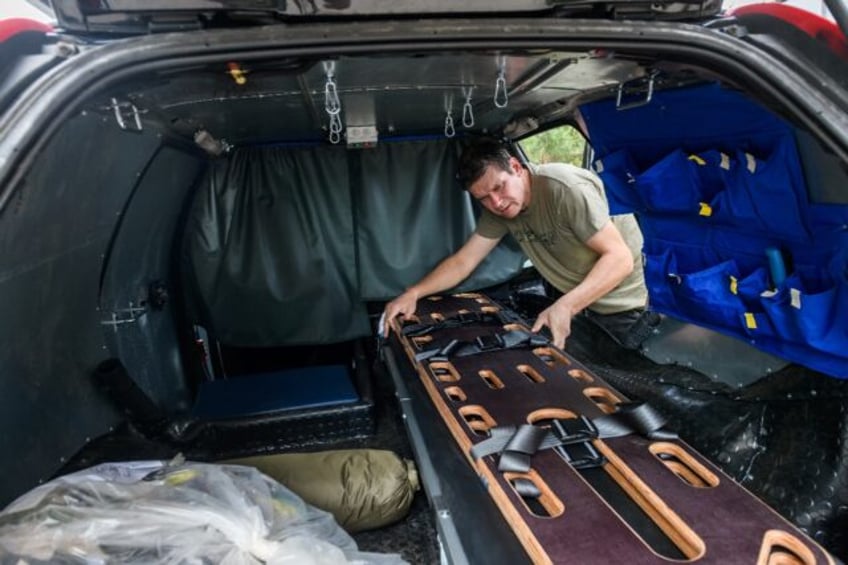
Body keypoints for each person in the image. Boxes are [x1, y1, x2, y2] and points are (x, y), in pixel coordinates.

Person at [382, 138, 656, 350]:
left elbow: (619, 258)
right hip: (584, 307)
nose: (496, 203)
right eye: (483, 198)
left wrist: (566, 306)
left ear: (516, 167)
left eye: (498, 188)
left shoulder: (564, 188)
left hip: (626, 309)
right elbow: (464, 261)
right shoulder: (501, 209)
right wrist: (414, 293)